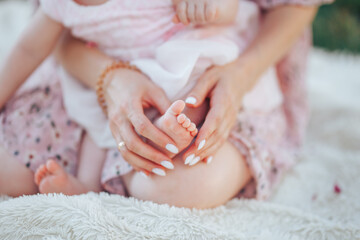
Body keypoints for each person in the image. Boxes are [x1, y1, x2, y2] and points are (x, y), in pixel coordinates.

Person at [0, 0, 332, 209]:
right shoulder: (60, 6)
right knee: (93, 119)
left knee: (190, 101)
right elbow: (29, 50)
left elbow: (232, 8)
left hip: (185, 59)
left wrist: (211, 5)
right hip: (113, 68)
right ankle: (86, 185)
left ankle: (170, 133)